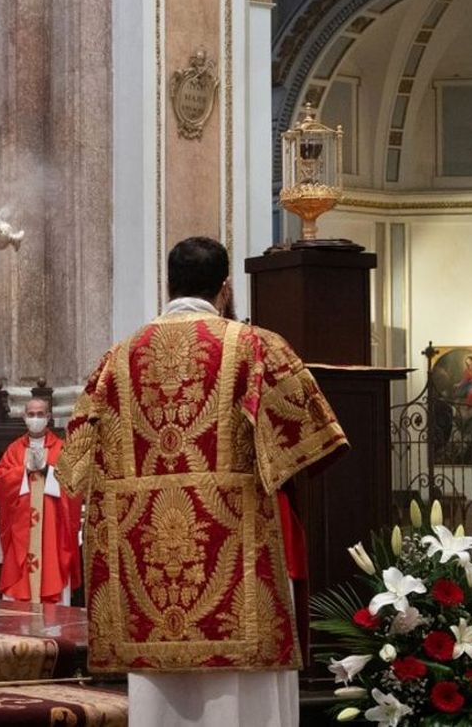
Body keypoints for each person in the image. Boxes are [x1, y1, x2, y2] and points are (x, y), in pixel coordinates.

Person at [58, 237, 347, 727]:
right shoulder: (256, 349)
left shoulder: (117, 361)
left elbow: (74, 467)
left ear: (166, 283)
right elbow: (315, 441)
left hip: (149, 583)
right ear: (225, 286)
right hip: (236, 571)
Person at [0, 393, 81, 605]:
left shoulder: (62, 449)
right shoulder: (14, 450)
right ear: (24, 417)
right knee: (20, 578)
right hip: (22, 529)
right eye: (31, 414)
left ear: (49, 416)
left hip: (53, 529)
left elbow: (74, 483)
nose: (35, 418)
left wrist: (47, 471)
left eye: (40, 414)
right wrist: (24, 471)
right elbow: (0, 480)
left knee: (51, 567)